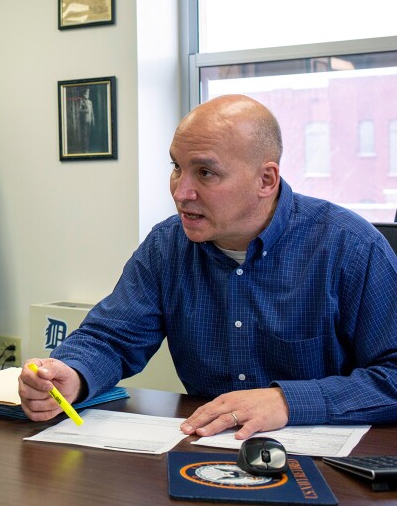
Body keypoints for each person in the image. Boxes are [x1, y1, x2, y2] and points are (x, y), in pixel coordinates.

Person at [19, 94, 397, 440]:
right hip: (206, 451)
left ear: (266, 179)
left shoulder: (350, 247)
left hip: (329, 459)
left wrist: (286, 402)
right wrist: (72, 374)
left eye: (205, 173)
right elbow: (112, 337)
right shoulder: (168, 245)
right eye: (177, 168)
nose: (181, 192)